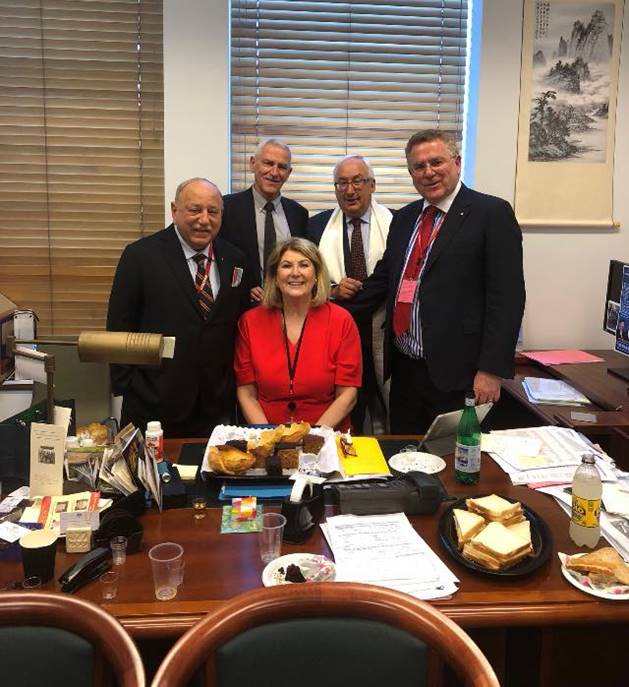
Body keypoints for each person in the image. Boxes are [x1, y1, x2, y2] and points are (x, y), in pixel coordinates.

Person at [340, 129, 525, 433]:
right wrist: (322, 308)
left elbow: (508, 299)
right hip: (404, 369)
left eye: (436, 162)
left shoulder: (491, 213)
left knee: (456, 462)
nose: (428, 172)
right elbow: (385, 280)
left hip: (460, 373)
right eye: (418, 167)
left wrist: (491, 370)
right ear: (411, 172)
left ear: (457, 162)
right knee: (404, 455)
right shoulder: (405, 218)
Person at [107, 177, 250, 437]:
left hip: (216, 408)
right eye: (195, 209)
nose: (204, 219)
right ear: (174, 210)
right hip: (154, 406)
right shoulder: (140, 256)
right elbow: (119, 327)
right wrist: (129, 386)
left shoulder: (236, 259)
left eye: (213, 211)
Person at [234, 237, 362, 431]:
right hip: (268, 434)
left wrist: (314, 437)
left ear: (317, 274)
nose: (295, 273)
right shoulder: (250, 322)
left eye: (304, 265)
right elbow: (247, 394)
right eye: (286, 266)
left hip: (327, 433)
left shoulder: (341, 320)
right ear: (275, 277)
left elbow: (348, 394)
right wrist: (271, 437)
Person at [307, 154, 392, 433]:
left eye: (357, 181)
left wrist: (350, 301)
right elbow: (303, 280)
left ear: (372, 185)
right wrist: (331, 291)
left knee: (386, 413)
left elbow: (391, 276)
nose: (349, 189)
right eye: (341, 183)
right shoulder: (316, 227)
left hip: (383, 333)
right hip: (336, 334)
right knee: (346, 414)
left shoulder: (398, 224)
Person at [221, 138, 309, 303]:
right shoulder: (226, 208)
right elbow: (219, 258)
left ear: (289, 173)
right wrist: (243, 286)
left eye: (282, 167)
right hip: (240, 308)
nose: (274, 172)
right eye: (268, 163)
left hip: (288, 307)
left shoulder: (299, 214)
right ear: (253, 164)